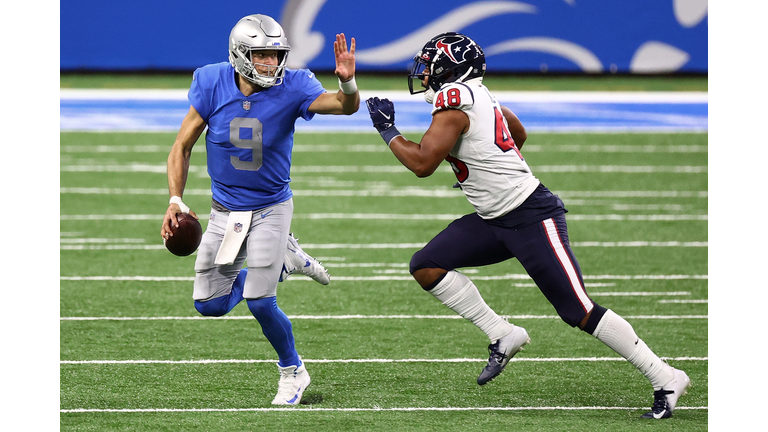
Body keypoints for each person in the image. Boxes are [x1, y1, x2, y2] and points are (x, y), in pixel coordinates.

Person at [365, 32, 690, 419]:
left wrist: (387, 129)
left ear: (449, 68)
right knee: (427, 266)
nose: (424, 73)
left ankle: (666, 376)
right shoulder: (478, 93)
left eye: (430, 64)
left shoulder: (454, 101)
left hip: (530, 215)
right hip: (494, 217)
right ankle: (502, 333)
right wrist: (483, 164)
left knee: (578, 310)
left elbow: (421, 164)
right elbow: (516, 135)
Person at [161, 14, 360, 406]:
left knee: (259, 300)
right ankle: (286, 259)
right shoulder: (212, 81)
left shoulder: (295, 85)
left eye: (275, 55)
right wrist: (176, 199)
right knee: (209, 304)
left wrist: (347, 82)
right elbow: (181, 146)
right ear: (239, 55)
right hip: (225, 211)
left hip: (271, 207)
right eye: (262, 55)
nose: (271, 64)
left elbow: (344, 106)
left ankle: (293, 371)